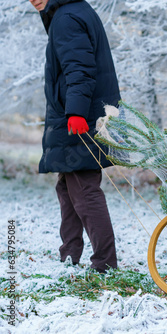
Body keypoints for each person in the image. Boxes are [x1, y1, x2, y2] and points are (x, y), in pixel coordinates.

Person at [29, 0, 120, 273]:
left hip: (79, 117)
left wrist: (76, 113)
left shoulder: (67, 17)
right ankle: (70, 254)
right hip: (75, 114)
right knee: (68, 187)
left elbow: (79, 69)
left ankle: (105, 264)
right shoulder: (72, 11)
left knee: (83, 190)